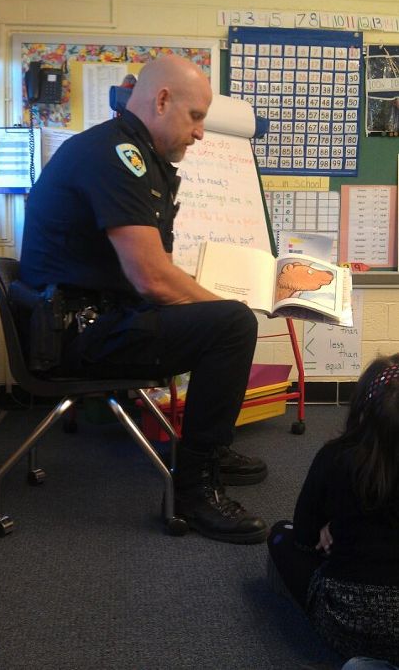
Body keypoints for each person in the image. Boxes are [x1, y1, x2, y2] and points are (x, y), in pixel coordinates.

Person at [19, 54, 268, 544]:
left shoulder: (137, 155)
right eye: (196, 117)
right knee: (233, 326)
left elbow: (157, 269)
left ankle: (207, 449)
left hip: (89, 319)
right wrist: (220, 307)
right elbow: (152, 279)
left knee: (223, 320)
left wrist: (205, 302)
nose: (200, 133)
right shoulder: (117, 155)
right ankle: (195, 489)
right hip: (76, 336)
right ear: (161, 101)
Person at [266, 354, 399, 663]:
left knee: (279, 536)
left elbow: (302, 535)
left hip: (345, 626)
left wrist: (333, 526)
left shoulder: (335, 457)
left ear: (363, 409)